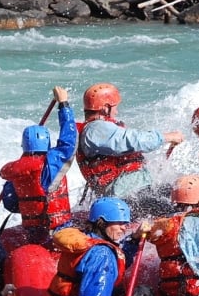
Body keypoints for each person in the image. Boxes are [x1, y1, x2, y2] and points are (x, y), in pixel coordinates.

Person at [42, 197, 152, 296]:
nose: (123, 228)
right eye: (119, 223)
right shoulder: (102, 254)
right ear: (102, 222)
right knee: (144, 295)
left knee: (119, 291)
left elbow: (119, 259)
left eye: (125, 224)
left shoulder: (87, 238)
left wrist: (134, 239)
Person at [76, 82, 184, 215]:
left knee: (183, 192)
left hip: (136, 191)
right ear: (105, 108)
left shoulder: (99, 128)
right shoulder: (96, 129)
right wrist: (166, 137)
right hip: (124, 197)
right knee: (175, 208)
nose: (117, 111)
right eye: (115, 107)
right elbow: (133, 140)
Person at [0, 86, 77, 244]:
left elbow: (11, 204)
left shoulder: (15, 170)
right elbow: (69, 139)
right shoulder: (52, 162)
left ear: (24, 146)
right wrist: (64, 104)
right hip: (59, 230)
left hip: (32, 232)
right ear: (47, 142)